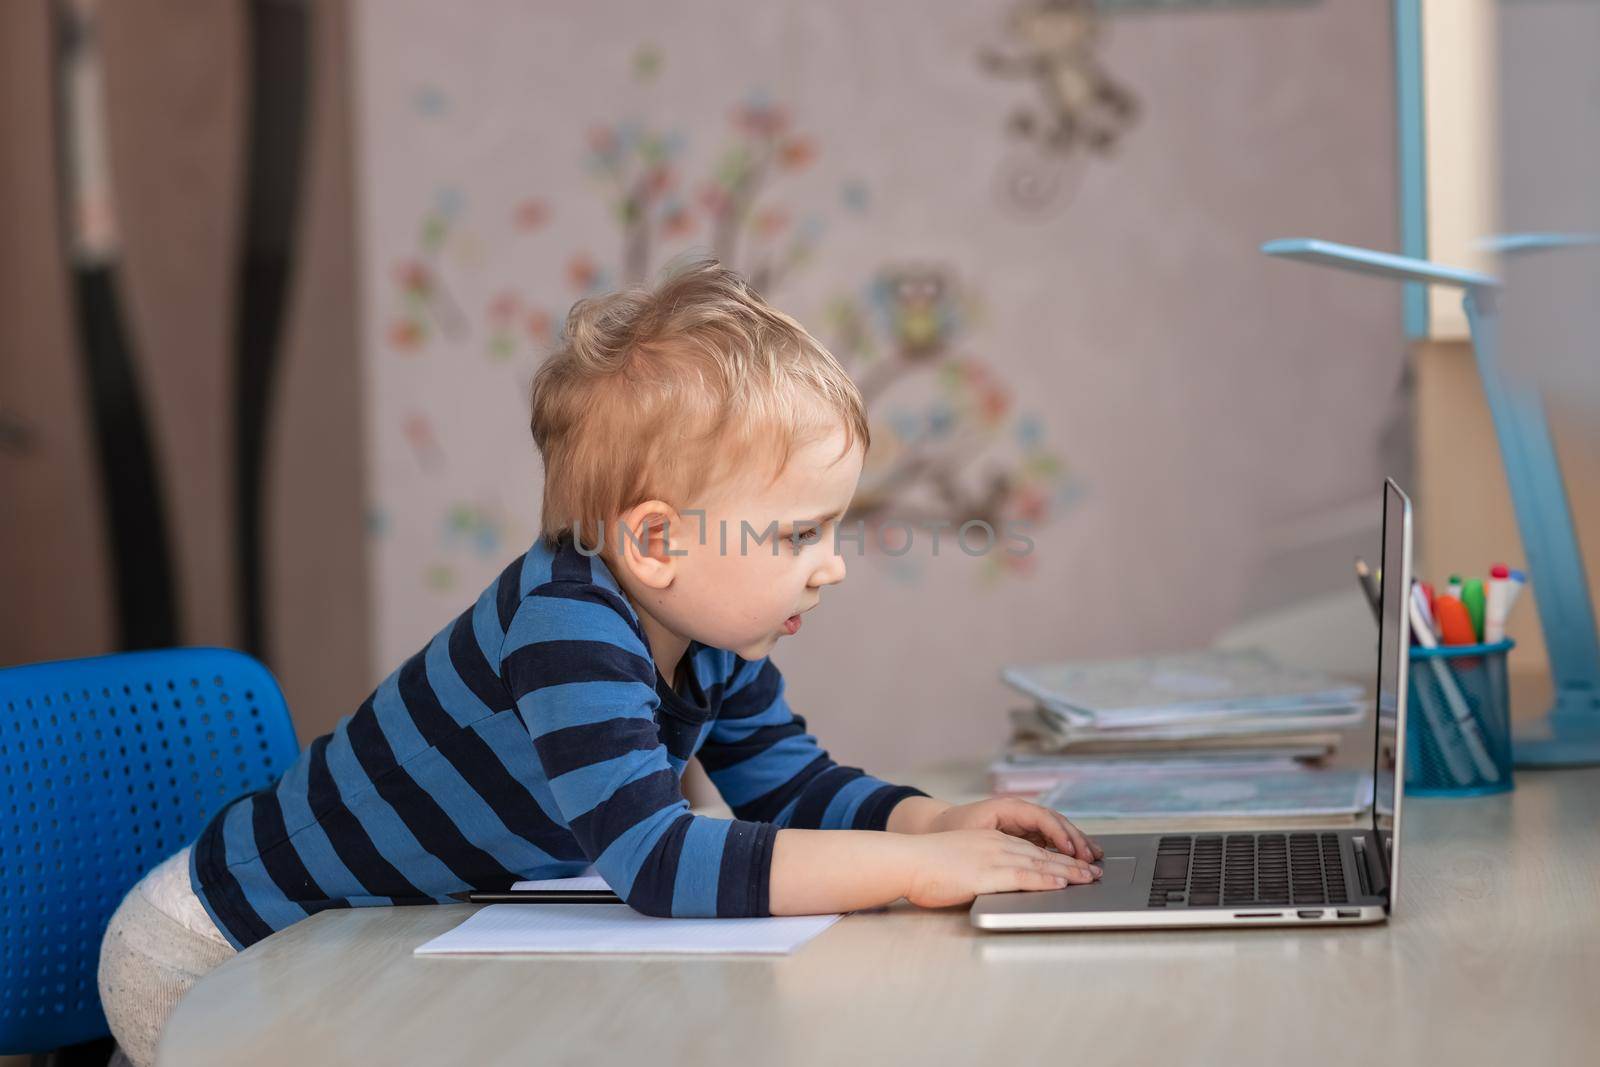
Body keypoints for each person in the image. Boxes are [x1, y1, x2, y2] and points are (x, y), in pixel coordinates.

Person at [98, 257, 1102, 1066]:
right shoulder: (565, 625)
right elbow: (656, 859)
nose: (831, 566)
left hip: (354, 949)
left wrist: (934, 819)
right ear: (656, 543)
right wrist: (916, 867)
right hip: (217, 950)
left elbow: (789, 787)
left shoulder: (713, 642)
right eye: (799, 533)